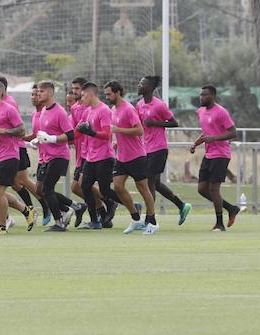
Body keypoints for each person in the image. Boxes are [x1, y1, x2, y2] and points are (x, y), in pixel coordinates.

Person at [0, 77, 33, 234]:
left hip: (9, 156)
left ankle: (2, 226)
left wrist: (4, 131)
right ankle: (25, 210)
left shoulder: (9, 109)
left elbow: (22, 131)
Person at [104, 80, 157, 234]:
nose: (107, 97)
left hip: (137, 156)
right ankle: (135, 218)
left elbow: (139, 131)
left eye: (109, 94)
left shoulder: (128, 109)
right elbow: (118, 132)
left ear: (117, 93)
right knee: (118, 187)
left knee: (143, 188)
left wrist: (118, 130)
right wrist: (117, 142)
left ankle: (152, 222)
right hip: (122, 156)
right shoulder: (113, 109)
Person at [137, 75, 190, 225]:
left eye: (142, 84)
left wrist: (155, 123)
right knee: (156, 184)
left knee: (149, 183)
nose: (139, 85)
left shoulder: (159, 105)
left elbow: (174, 123)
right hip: (145, 148)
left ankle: (149, 220)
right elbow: (139, 126)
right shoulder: (139, 104)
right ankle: (182, 205)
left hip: (159, 148)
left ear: (150, 88)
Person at [190, 85, 240, 232]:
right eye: (201, 95)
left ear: (212, 96)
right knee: (201, 189)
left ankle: (220, 224)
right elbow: (206, 133)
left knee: (214, 189)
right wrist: (196, 143)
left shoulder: (221, 112)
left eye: (205, 95)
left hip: (221, 154)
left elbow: (233, 132)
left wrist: (215, 138)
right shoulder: (200, 112)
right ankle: (231, 208)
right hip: (209, 154)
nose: (201, 97)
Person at [29, 80, 75, 231]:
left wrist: (52, 139)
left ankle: (59, 222)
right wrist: (38, 140)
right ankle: (73, 207)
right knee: (41, 190)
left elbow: (70, 135)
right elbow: (45, 133)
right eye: (37, 91)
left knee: (47, 189)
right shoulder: (43, 111)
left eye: (41, 91)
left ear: (50, 93)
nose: (38, 94)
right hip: (47, 156)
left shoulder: (59, 111)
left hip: (59, 156)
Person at [75, 82, 115, 230]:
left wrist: (91, 132)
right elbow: (78, 131)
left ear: (91, 95)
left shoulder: (104, 110)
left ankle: (132, 206)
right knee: (84, 186)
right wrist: (52, 138)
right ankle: (95, 221)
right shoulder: (88, 111)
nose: (81, 97)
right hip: (91, 157)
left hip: (104, 156)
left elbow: (107, 134)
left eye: (83, 95)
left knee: (105, 190)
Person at [67, 77, 95, 227]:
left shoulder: (90, 108)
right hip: (81, 153)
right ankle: (102, 208)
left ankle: (99, 212)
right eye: (73, 89)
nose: (74, 92)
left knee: (82, 186)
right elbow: (74, 133)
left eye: (77, 89)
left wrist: (56, 139)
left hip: (91, 153)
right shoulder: (74, 108)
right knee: (79, 187)